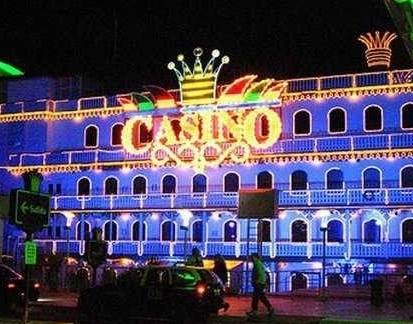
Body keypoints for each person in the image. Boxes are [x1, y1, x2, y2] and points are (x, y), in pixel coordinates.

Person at [246, 253, 274, 318]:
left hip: (259, 283)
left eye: (252, 257)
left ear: (254, 257)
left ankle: (254, 311)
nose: (251, 258)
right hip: (260, 283)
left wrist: (256, 281)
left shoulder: (257, 264)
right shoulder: (259, 263)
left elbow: (259, 273)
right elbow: (261, 274)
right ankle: (270, 308)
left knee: (255, 297)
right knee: (262, 297)